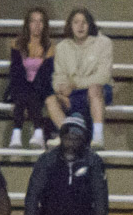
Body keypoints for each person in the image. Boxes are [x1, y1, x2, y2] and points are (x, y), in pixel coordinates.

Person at [22, 115, 108, 215]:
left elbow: (100, 197)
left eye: (77, 136)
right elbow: (33, 194)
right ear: (61, 136)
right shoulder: (47, 160)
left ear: (84, 138)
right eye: (67, 135)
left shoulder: (93, 161)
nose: (72, 139)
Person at [45, 8, 112, 148]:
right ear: (70, 25)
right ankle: (65, 133)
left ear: (90, 25)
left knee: (94, 89)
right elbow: (59, 75)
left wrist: (75, 84)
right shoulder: (62, 47)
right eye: (76, 22)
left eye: (84, 22)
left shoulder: (104, 43)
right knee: (51, 99)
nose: (80, 26)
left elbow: (103, 76)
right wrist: (61, 88)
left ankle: (98, 136)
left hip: (98, 89)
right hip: (73, 92)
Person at [7, 7, 55, 149]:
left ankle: (31, 132)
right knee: (23, 93)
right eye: (33, 21)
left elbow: (46, 73)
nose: (37, 25)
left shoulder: (50, 46)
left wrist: (33, 85)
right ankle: (20, 133)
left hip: (41, 86)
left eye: (40, 21)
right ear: (27, 24)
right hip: (21, 84)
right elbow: (15, 70)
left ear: (45, 25)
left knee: (32, 94)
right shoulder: (17, 43)